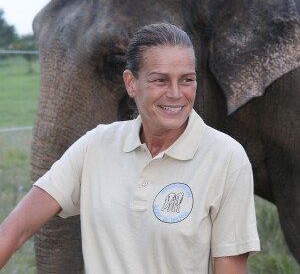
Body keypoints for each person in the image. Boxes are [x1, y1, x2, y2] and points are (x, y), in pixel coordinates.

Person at [0, 23, 260, 273]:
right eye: (160, 80)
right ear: (131, 83)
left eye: (187, 80)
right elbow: (18, 227)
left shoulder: (227, 158)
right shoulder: (96, 145)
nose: (175, 93)